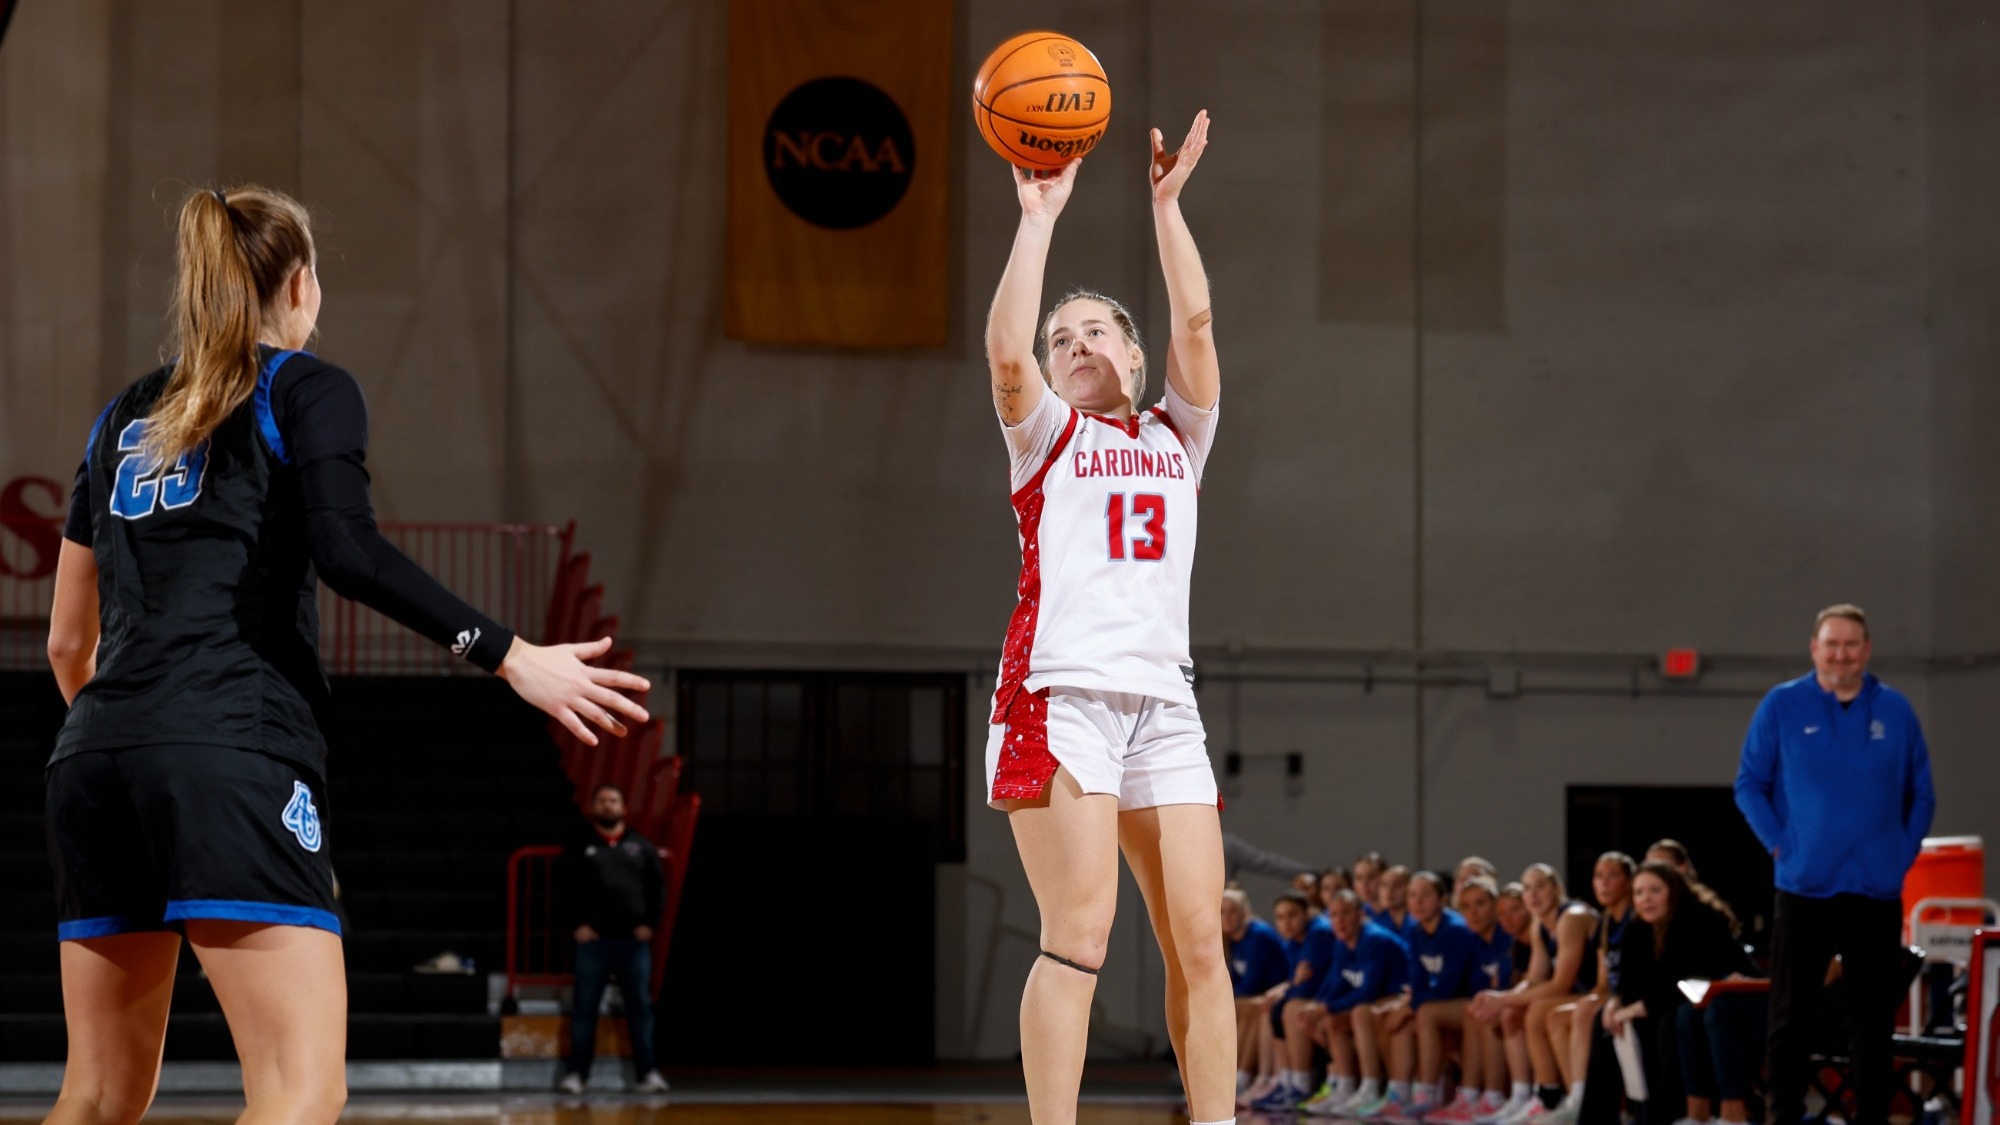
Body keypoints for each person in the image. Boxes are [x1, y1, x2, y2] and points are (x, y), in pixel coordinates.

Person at [40, 184, 649, 1125]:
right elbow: (350, 553)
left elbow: (66, 642)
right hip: (232, 742)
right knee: (300, 1091)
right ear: (300, 284)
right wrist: (511, 653)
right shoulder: (302, 386)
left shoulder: (118, 418)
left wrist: (140, 746)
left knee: (96, 1097)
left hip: (91, 757)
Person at [983, 111, 1230, 1125]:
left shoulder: (1179, 434)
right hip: (1061, 694)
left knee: (1200, 941)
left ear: (1131, 354)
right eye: (1062, 339)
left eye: (1093, 330)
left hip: (1162, 703)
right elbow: (1005, 352)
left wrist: (1166, 207)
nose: (1073, 343)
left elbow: (1197, 325)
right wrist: (1037, 218)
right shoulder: (1045, 435)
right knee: (1080, 935)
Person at [1735, 603, 1934, 1125]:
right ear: (1814, 649)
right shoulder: (1782, 705)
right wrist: (1782, 845)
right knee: (1790, 1018)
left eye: (1850, 644)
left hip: (1875, 891)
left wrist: (1900, 855)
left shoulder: (1896, 710)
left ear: (1866, 650)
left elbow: (1922, 795)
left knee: (1873, 1023)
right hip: (1805, 888)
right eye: (1832, 644)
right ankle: (1783, 1118)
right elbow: (1749, 784)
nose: (1841, 654)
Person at [1601, 862, 1758, 1125]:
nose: (1646, 899)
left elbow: (1695, 980)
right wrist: (1615, 1002)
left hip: (1729, 1001)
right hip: (1676, 1001)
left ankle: (1688, 1114)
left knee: (1675, 1019)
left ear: (1673, 892)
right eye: (1639, 892)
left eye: (1655, 891)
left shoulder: (1699, 920)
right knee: (1606, 1023)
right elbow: (1629, 983)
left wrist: (1641, 1007)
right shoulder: (1637, 929)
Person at [556, 784, 668, 1094]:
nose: (608, 805)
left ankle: (647, 1073)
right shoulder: (580, 845)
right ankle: (577, 1074)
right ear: (593, 807)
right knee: (585, 1008)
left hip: (632, 942)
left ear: (623, 808)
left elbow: (658, 888)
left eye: (613, 800)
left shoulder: (641, 846)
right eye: (602, 800)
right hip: (593, 942)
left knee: (640, 1008)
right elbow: (564, 888)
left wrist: (651, 924)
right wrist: (576, 925)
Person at [1348, 871, 1482, 1121]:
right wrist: (1408, 1005)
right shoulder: (1415, 930)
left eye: (1425, 895)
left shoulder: (1455, 930)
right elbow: (1416, 978)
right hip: (1440, 1000)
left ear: (1442, 899)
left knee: (1422, 1013)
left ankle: (1427, 1095)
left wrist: (1411, 1005)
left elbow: (1451, 984)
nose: (1417, 902)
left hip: (1466, 998)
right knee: (1391, 1015)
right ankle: (1398, 1092)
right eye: (1412, 895)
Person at [1482, 864, 1597, 1125]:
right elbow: (1533, 980)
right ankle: (1536, 1096)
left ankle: (1572, 1100)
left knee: (1539, 1011)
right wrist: (1500, 999)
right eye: (1527, 888)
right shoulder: (1539, 925)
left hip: (1599, 993)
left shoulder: (1572, 917)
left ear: (1556, 889)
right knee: (1514, 1012)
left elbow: (1560, 985)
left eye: (1540, 886)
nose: (1533, 895)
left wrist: (1502, 999)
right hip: (1580, 996)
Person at [1287, 890, 1410, 1118]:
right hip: (1373, 1001)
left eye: (1346, 913)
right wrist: (1317, 1008)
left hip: (1396, 997)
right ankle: (1343, 1086)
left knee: (1359, 1013)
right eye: (1334, 915)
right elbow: (1335, 983)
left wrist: (1325, 1007)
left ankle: (1371, 1087)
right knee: (1331, 1020)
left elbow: (1369, 991)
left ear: (1361, 914)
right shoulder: (1342, 943)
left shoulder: (1375, 940)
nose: (1340, 921)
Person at [1553, 853, 1636, 1125]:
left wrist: (1600, 1001)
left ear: (1628, 881)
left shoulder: (1636, 919)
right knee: (1557, 1016)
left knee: (1585, 1011)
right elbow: (1602, 982)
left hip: (1630, 997)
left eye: (1612, 876)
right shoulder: (1605, 922)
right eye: (1599, 876)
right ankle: (1573, 1097)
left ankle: (1588, 1102)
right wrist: (1594, 999)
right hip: (1610, 996)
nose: (1604, 883)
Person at [1429, 875, 1517, 1124]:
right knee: (1469, 1013)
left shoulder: (1508, 935)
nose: (1473, 913)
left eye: (1480, 904)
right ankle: (1467, 1095)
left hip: (1514, 1004)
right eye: (1466, 906)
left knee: (1484, 1013)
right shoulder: (1471, 941)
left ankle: (1494, 1097)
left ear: (1495, 905)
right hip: (1492, 1005)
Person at [1240, 892, 1314, 1107]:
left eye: (1292, 915)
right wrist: (1285, 988)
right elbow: (1294, 980)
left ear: (1307, 914)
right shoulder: (1293, 943)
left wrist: (1288, 989)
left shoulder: (1318, 935)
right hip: (1311, 998)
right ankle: (1275, 1080)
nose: (1286, 922)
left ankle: (1298, 1083)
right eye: (1281, 917)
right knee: (1269, 1004)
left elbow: (1309, 984)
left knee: (1287, 1008)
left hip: (1320, 1002)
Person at [1224, 888, 1291, 1097]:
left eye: (1232, 911)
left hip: (1277, 991)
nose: (1226, 917)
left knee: (1250, 1008)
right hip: (1257, 995)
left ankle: (1241, 1075)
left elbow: (1252, 983)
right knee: (1234, 1008)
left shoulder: (1258, 935)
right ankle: (1228, 1074)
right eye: (1222, 912)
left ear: (1246, 912)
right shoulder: (1231, 940)